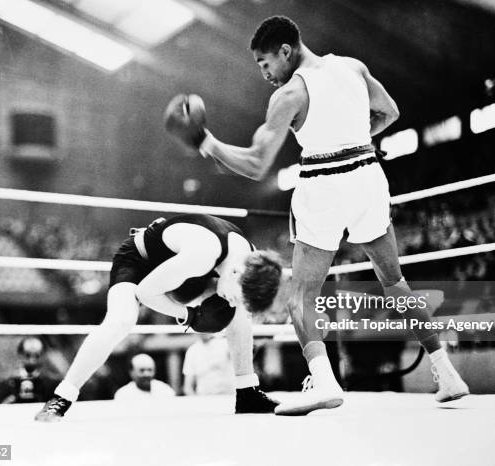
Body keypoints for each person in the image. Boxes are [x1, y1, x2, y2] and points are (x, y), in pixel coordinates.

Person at [165, 16, 469, 415]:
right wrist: (353, 140)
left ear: (285, 51)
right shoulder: (353, 67)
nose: (265, 74)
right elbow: (390, 112)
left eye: (264, 63)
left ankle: (323, 383)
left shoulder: (290, 95)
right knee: (395, 283)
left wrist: (206, 140)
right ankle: (446, 373)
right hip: (368, 177)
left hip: (324, 187)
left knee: (302, 297)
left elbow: (256, 164)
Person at [35, 214, 282, 421]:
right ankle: (62, 396)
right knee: (121, 320)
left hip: (191, 273)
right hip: (140, 263)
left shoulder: (249, 259)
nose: (229, 301)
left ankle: (247, 391)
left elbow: (234, 295)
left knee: (238, 315)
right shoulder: (203, 253)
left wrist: (234, 304)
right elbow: (145, 292)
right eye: (234, 295)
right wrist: (188, 316)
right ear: (236, 273)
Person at [0, 337, 58, 404]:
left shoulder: (51, 384)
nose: (32, 360)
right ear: (20, 355)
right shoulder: (7, 383)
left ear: (42, 355)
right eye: (28, 355)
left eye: (37, 355)